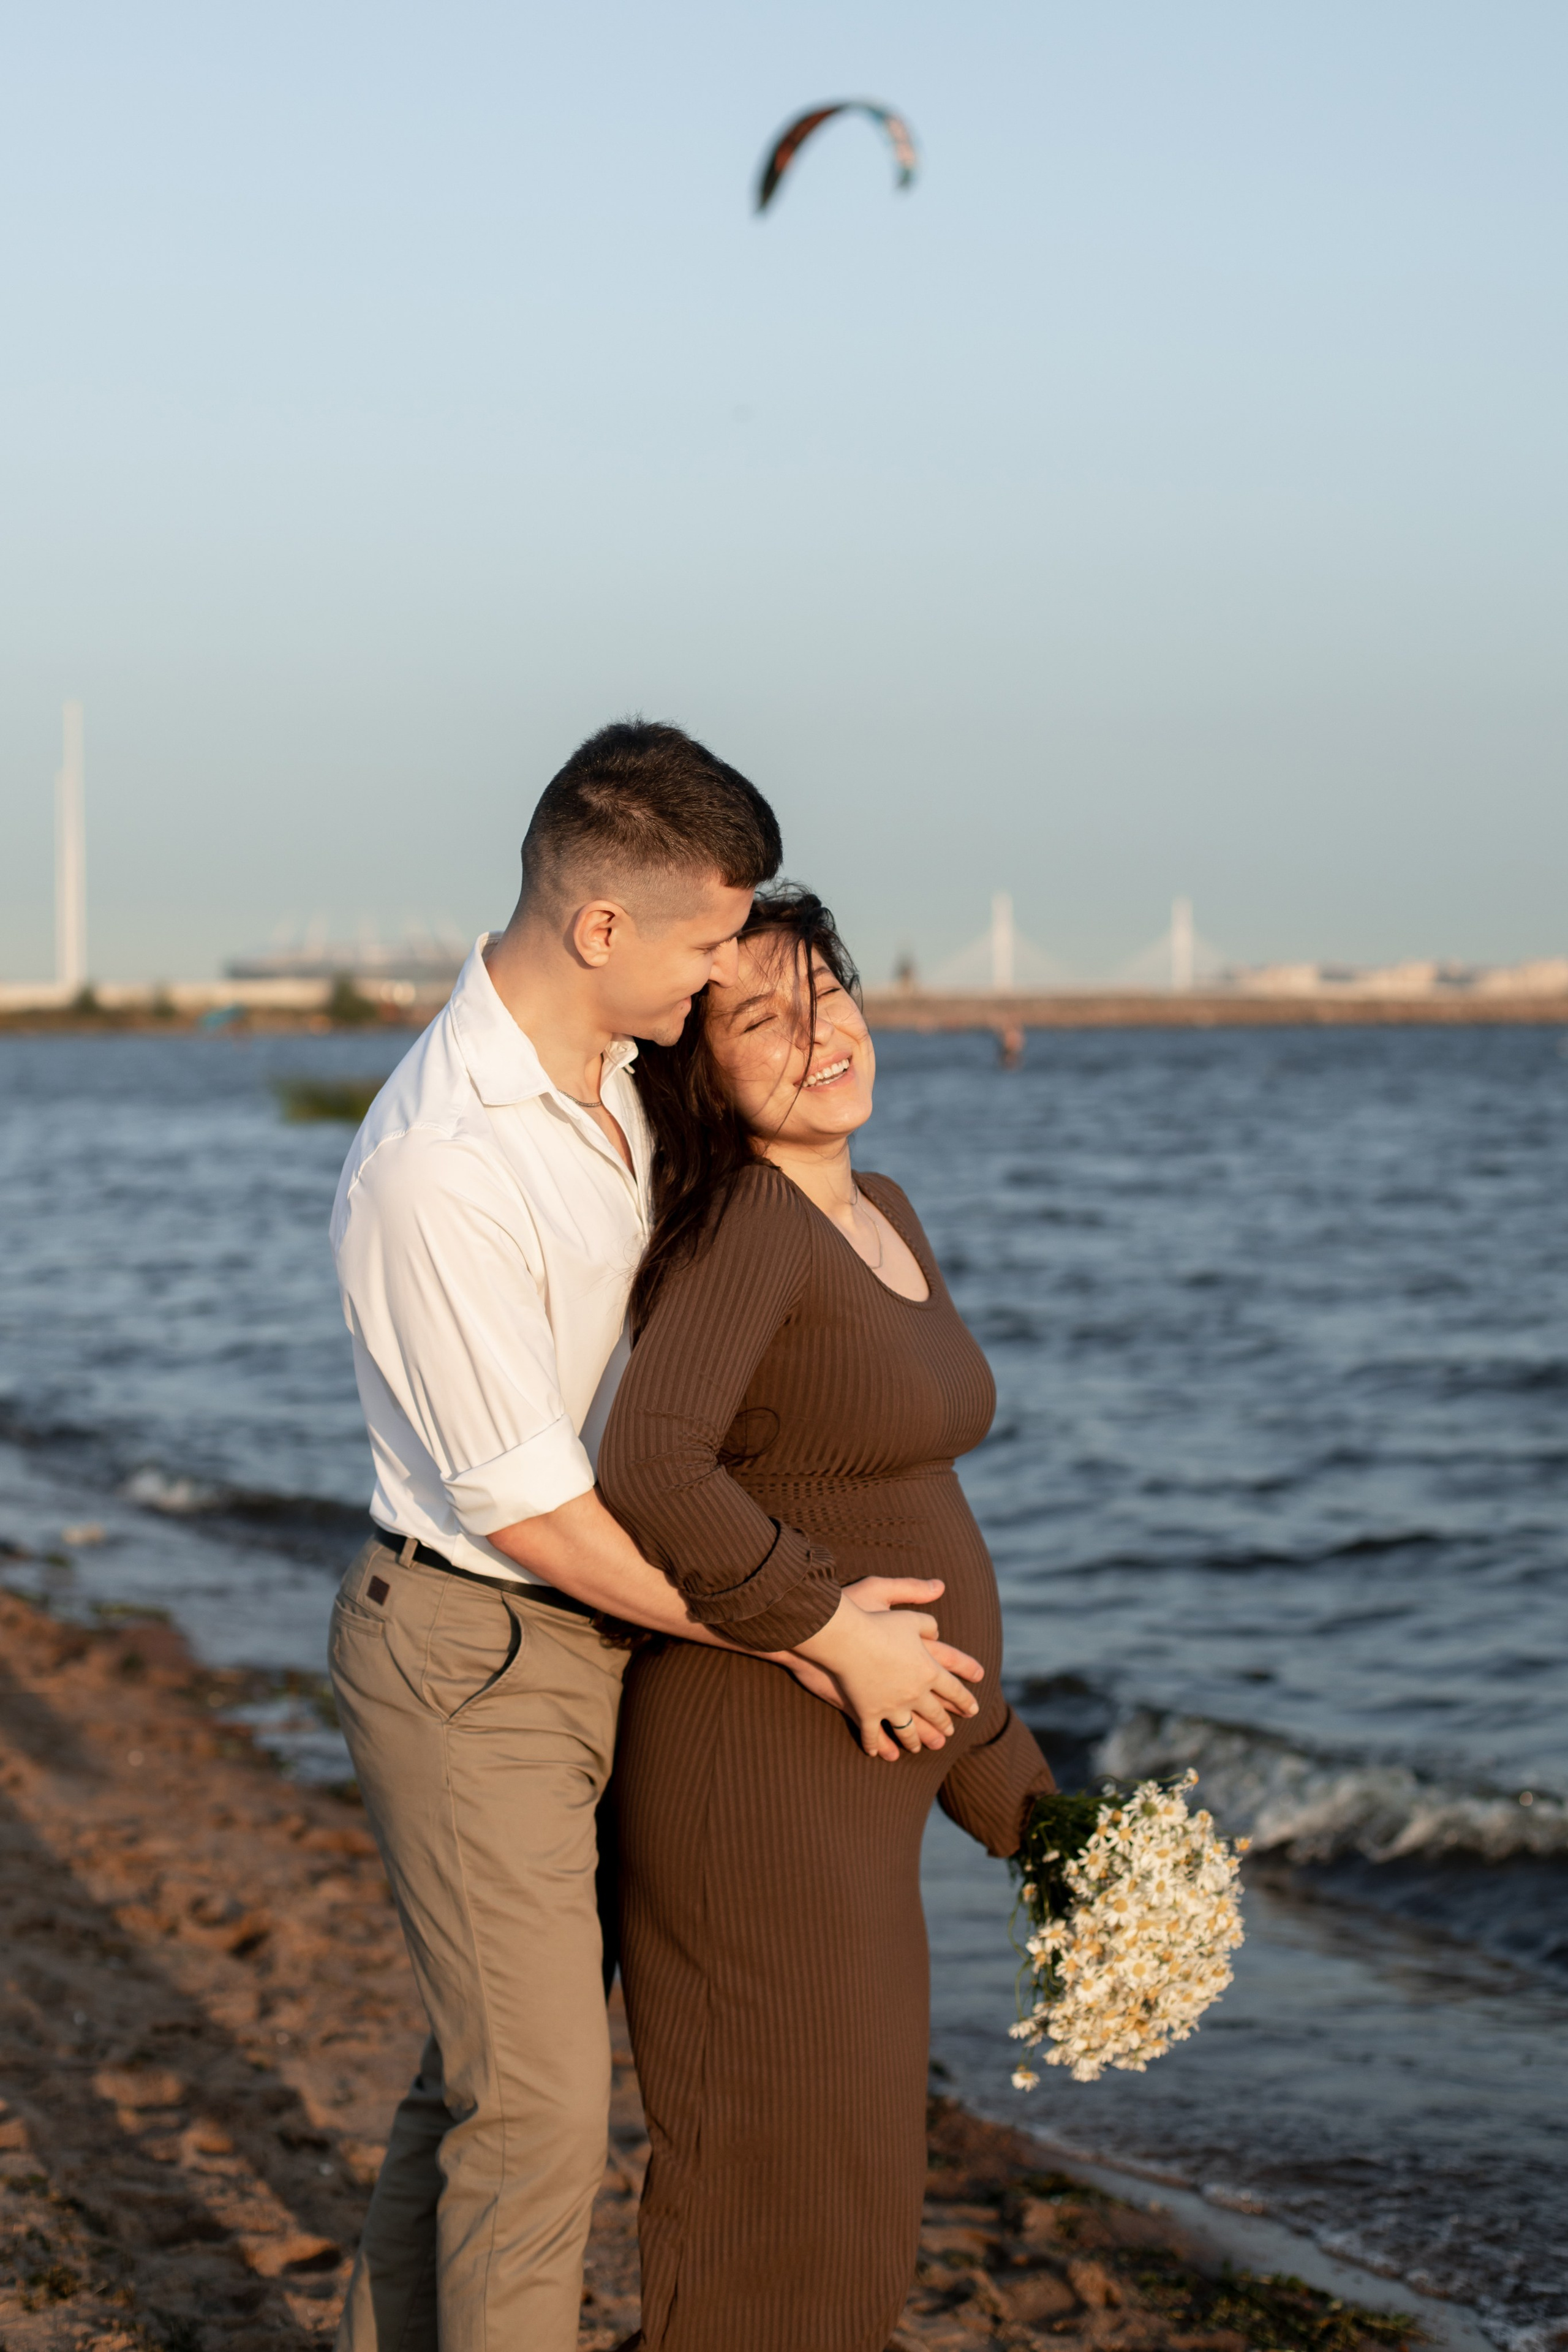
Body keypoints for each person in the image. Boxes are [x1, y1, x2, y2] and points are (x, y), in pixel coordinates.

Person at [326, 726, 982, 2352]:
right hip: (482, 1655)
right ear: (601, 929)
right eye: (708, 945)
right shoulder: (437, 1166)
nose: (725, 978)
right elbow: (543, 1510)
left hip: (620, 1646)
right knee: (540, 2116)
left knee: (479, 2089)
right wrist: (809, 1628)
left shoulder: (622, 1081)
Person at [597, 886, 1057, 2352]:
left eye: (829, 993)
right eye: (761, 1018)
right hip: (756, 1780)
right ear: (698, 1068)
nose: (819, 1035)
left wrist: (1034, 1816)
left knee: (852, 2190)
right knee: (766, 2204)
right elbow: (649, 1461)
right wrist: (821, 1626)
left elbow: (892, 1518)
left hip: (855, 1791)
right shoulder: (746, 1217)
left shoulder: (881, 1211)